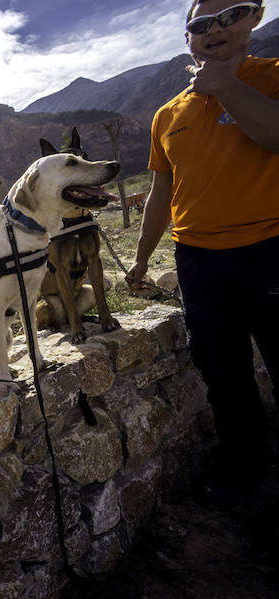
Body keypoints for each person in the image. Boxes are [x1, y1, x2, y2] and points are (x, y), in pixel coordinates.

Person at [126, 0, 278, 502]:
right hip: (197, 260)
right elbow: (161, 194)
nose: (214, 29)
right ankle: (246, 472)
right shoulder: (168, 114)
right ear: (186, 38)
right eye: (200, 24)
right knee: (223, 372)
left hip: (270, 249)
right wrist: (143, 257)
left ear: (255, 17)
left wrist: (226, 86)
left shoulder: (273, 76)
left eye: (229, 14)